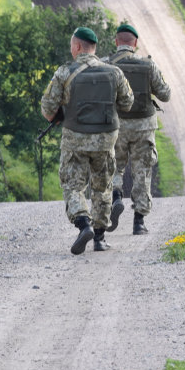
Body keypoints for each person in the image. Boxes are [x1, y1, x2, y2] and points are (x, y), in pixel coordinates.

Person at [40, 26, 134, 255]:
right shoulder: (114, 72)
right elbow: (127, 103)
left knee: (73, 185)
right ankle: (100, 238)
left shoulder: (64, 72)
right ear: (95, 48)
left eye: (72, 45)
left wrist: (60, 115)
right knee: (103, 186)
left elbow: (47, 108)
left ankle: (83, 224)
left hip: (75, 140)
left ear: (78, 46)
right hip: (105, 140)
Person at [103, 22, 172, 235]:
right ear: (135, 43)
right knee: (142, 171)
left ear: (116, 42)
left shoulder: (106, 64)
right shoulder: (148, 65)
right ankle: (139, 222)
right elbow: (165, 95)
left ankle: (115, 197)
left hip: (115, 126)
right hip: (143, 127)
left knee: (114, 166)